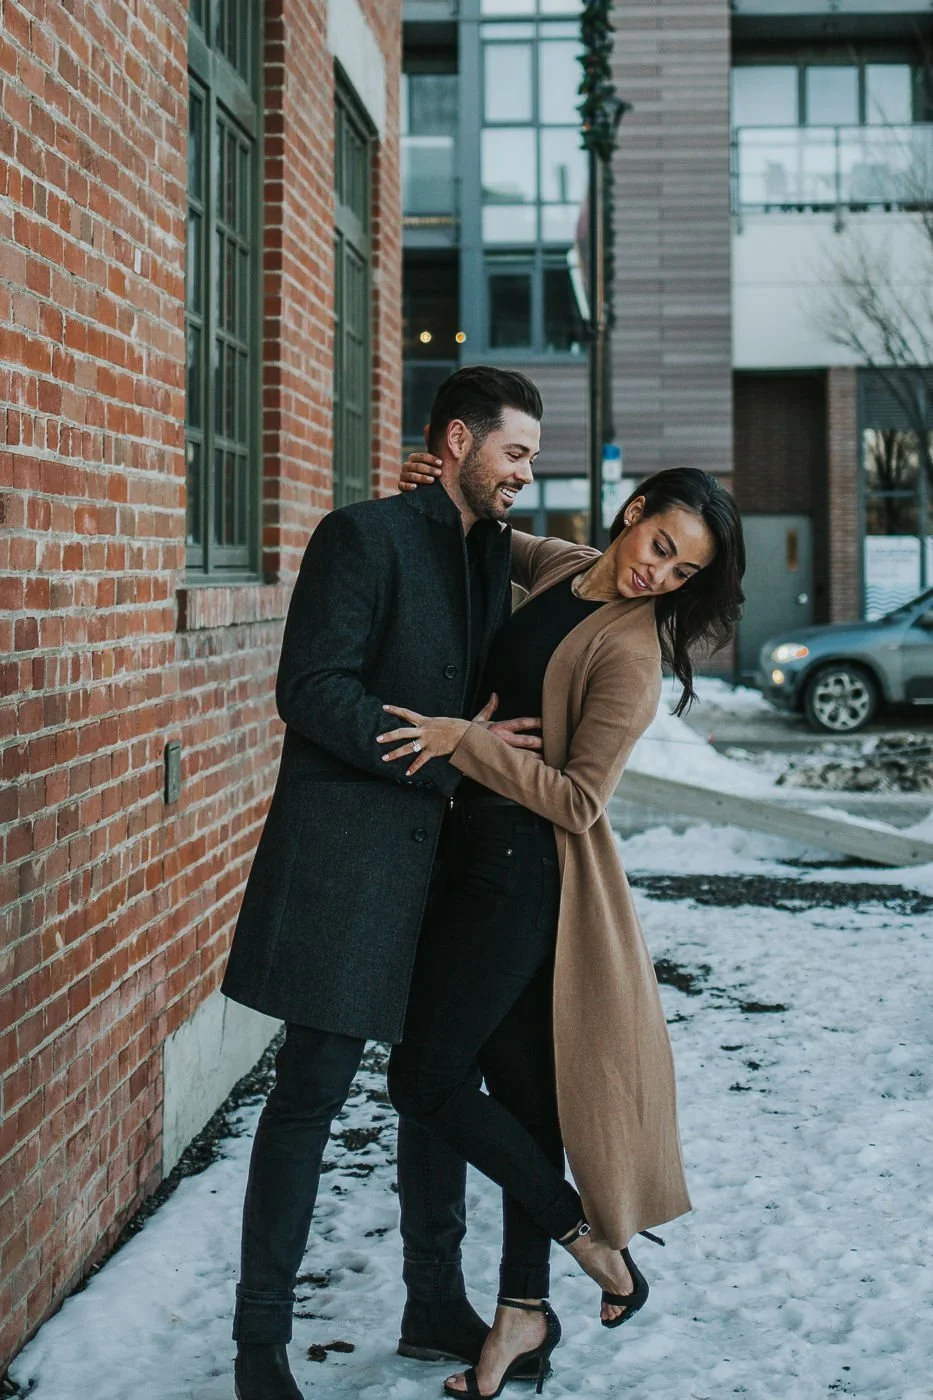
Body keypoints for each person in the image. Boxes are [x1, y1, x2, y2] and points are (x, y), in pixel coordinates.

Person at [382, 458, 746, 1396]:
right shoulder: (567, 568)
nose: (657, 576)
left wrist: (463, 738)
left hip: (519, 880)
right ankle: (520, 1315)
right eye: (659, 548)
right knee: (524, 1104)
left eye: (680, 573)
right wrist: (445, 480)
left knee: (422, 1078)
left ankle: (589, 1242)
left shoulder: (630, 653)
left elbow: (580, 800)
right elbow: (494, 538)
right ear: (632, 515)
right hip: (473, 865)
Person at [221, 366, 549, 1400]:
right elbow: (309, 688)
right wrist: (452, 750)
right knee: (310, 1091)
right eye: (515, 453)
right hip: (348, 863)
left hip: (442, 875)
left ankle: (430, 1300)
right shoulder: (359, 535)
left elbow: (592, 571)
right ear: (458, 440)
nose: (526, 475)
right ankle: (258, 1341)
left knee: (432, 1090)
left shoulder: (491, 548)